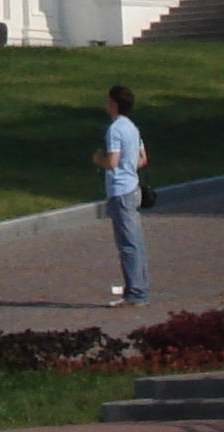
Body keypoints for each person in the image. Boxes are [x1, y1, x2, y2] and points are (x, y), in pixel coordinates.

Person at [91, 83, 149, 306]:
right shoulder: (132, 128)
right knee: (136, 242)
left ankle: (135, 294)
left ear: (114, 104)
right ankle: (138, 287)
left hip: (120, 190)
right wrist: (129, 167)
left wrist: (98, 159)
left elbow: (112, 161)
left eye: (108, 101)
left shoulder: (115, 129)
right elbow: (143, 158)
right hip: (133, 188)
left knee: (127, 244)